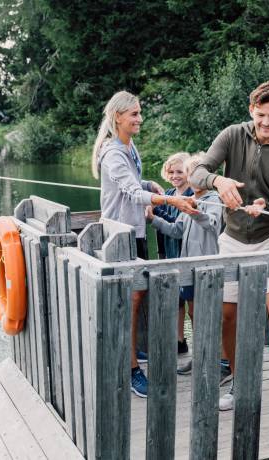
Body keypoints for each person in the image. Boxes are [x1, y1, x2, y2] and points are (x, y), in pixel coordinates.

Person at [190, 81, 269, 411]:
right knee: (228, 315)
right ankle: (239, 381)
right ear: (250, 111)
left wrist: (264, 206)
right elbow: (197, 173)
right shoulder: (232, 135)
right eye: (260, 115)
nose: (267, 123)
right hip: (233, 239)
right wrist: (218, 180)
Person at [92, 90, 198, 398]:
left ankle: (133, 355)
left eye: (140, 112)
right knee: (131, 301)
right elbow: (129, 192)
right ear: (118, 118)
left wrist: (149, 183)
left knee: (137, 298)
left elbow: (133, 184)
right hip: (119, 235)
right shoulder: (113, 152)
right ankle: (130, 370)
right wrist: (168, 198)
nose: (140, 118)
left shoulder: (129, 146)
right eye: (134, 114)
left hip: (136, 232)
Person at [147, 154, 231, 383]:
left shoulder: (213, 199)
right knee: (195, 314)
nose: (191, 178)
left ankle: (223, 362)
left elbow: (213, 225)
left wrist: (194, 210)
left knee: (212, 315)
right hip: (190, 268)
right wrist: (153, 219)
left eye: (195, 174)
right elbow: (176, 230)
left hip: (208, 268)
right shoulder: (191, 198)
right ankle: (201, 356)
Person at [154, 152, 193, 354]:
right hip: (169, 253)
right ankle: (180, 341)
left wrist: (154, 213)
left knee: (191, 301)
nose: (175, 175)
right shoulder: (168, 193)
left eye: (180, 171)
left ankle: (200, 340)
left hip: (185, 254)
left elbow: (177, 225)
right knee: (176, 301)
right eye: (171, 172)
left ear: (188, 173)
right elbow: (162, 231)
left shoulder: (191, 195)